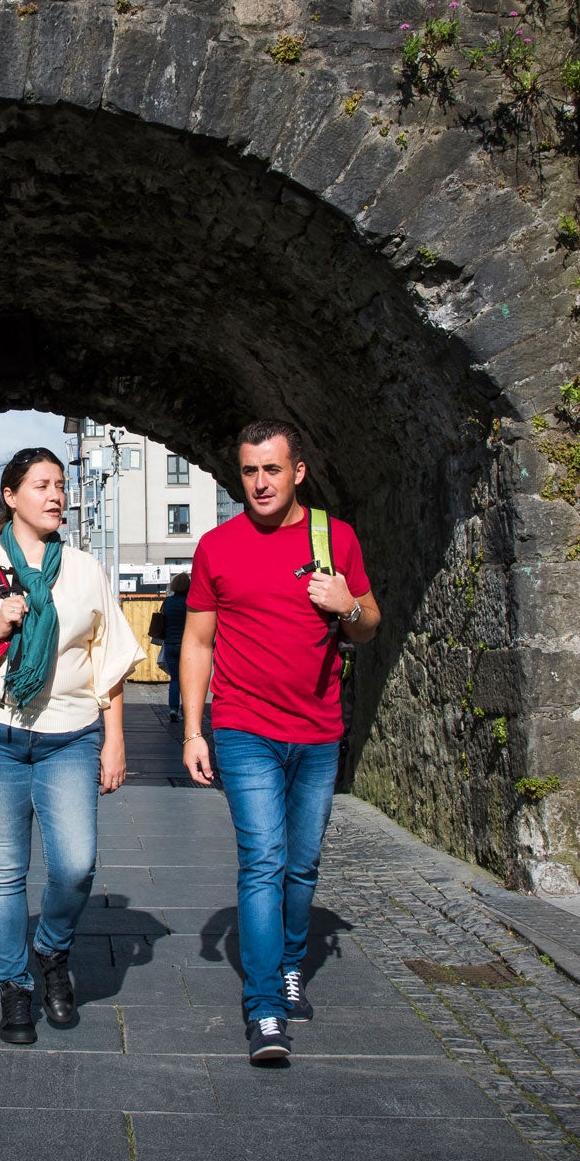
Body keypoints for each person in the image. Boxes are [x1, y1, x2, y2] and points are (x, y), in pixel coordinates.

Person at [0, 447, 137, 1046]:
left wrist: (114, 741)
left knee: (75, 864)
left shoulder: (85, 570)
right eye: (41, 485)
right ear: (10, 496)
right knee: (6, 871)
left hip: (70, 736)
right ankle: (14, 986)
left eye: (60, 485)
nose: (56, 495)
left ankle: (52, 950)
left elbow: (108, 660)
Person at [178, 420, 378, 1066]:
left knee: (302, 864)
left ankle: (291, 963)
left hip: (318, 732)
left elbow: (370, 625)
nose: (259, 483)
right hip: (244, 729)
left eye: (271, 469)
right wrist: (192, 729)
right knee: (263, 860)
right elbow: (198, 642)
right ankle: (264, 1007)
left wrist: (346, 604)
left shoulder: (334, 538)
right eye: (248, 471)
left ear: (298, 472)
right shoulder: (216, 546)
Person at [152, 572, 192, 722]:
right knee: (187, 680)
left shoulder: (168, 602)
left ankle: (173, 709)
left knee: (174, 678)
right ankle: (186, 711)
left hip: (169, 645)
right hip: (186, 646)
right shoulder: (190, 602)